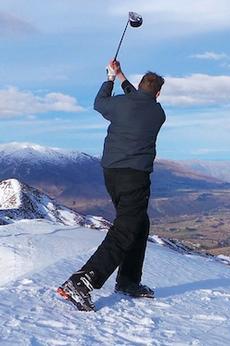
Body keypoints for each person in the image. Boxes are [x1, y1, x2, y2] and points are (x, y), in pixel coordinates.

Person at [57, 59, 166, 312]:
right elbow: (140, 100)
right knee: (125, 230)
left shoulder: (120, 104)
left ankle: (128, 281)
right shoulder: (158, 114)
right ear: (158, 93)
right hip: (135, 178)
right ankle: (81, 283)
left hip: (111, 174)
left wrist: (111, 77)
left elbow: (100, 103)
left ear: (139, 87)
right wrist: (120, 77)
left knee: (138, 223)